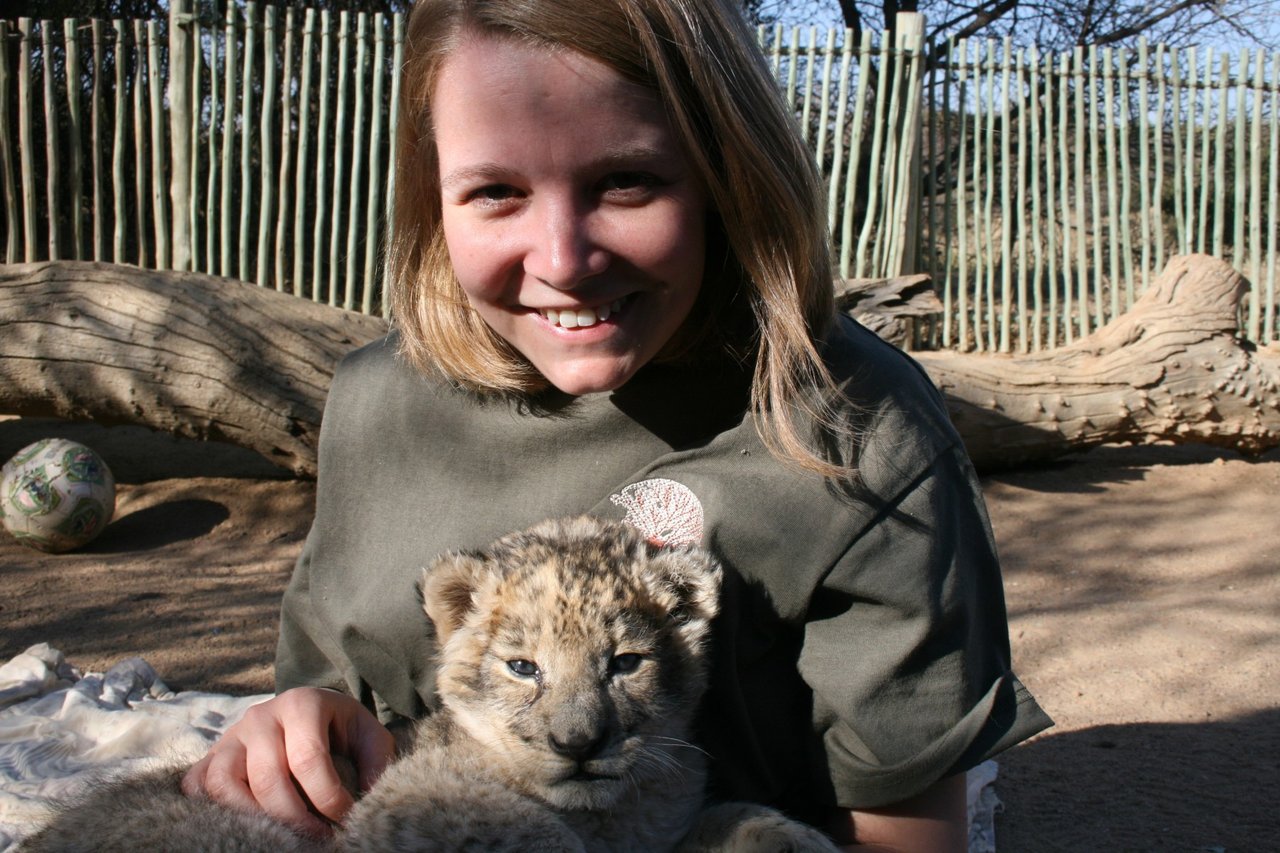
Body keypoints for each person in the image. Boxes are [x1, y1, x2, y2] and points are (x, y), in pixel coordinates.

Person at [184, 0, 1052, 848]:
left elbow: (902, 833)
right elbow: (332, 694)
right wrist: (299, 731)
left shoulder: (856, 431)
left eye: (625, 180)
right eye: (495, 190)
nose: (564, 261)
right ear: (431, 196)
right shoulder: (378, 398)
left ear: (727, 171)